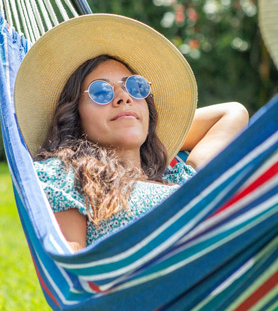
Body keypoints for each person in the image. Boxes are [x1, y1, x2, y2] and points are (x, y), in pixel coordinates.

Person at [14, 14, 249, 251]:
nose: (124, 97)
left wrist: (149, 130)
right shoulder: (68, 176)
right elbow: (72, 273)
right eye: (101, 92)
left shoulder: (182, 182)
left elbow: (233, 113)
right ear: (75, 115)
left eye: (136, 88)